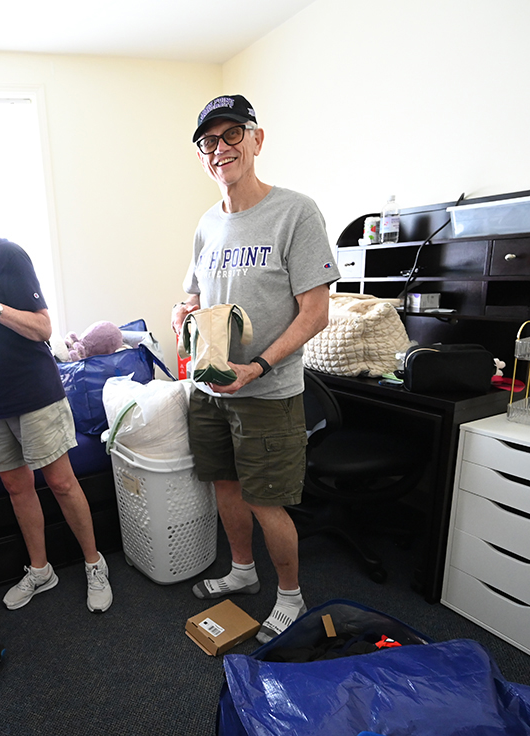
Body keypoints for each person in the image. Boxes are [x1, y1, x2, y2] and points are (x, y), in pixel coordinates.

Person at [172, 96, 340, 644]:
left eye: (232, 136)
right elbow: (193, 295)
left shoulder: (295, 212)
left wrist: (260, 366)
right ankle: (242, 570)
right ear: (202, 156)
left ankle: (290, 597)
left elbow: (316, 313)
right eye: (209, 142)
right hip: (211, 386)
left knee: (267, 500)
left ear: (256, 139)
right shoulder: (205, 224)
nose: (221, 150)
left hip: (268, 391)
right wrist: (182, 315)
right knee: (224, 483)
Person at [0, 171, 112, 614]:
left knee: (63, 483)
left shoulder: (7, 255)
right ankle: (40, 569)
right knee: (16, 488)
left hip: (34, 397)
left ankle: (93, 563)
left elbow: (43, 327)